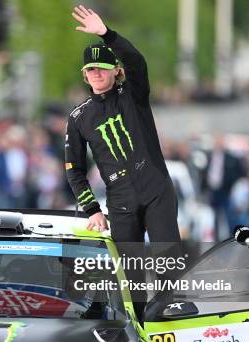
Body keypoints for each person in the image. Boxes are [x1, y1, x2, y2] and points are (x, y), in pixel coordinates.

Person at [65, 6, 181, 318]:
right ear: (84, 75)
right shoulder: (78, 117)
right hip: (120, 199)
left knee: (167, 264)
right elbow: (73, 169)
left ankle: (175, 321)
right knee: (130, 282)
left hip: (155, 187)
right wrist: (92, 209)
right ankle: (138, 331)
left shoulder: (133, 94)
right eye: (90, 70)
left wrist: (107, 34)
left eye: (102, 68)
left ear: (116, 70)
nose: (96, 74)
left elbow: (137, 62)